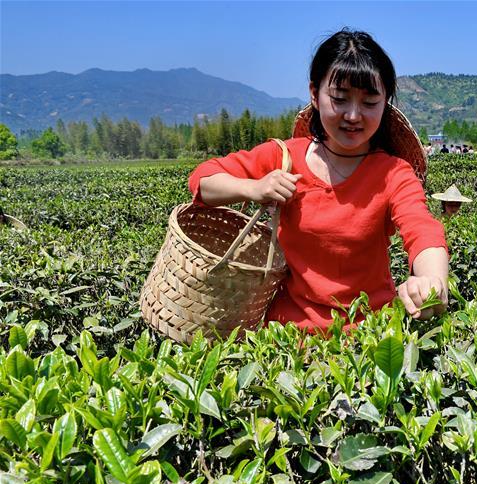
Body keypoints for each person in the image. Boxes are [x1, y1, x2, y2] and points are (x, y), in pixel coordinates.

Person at [188, 29, 449, 333]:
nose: (353, 115)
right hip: (286, 343)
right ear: (314, 94)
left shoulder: (393, 174)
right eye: (339, 99)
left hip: (369, 340)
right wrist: (254, 188)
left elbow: (423, 230)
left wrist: (433, 282)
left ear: (385, 102)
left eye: (369, 102)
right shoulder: (283, 157)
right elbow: (202, 180)